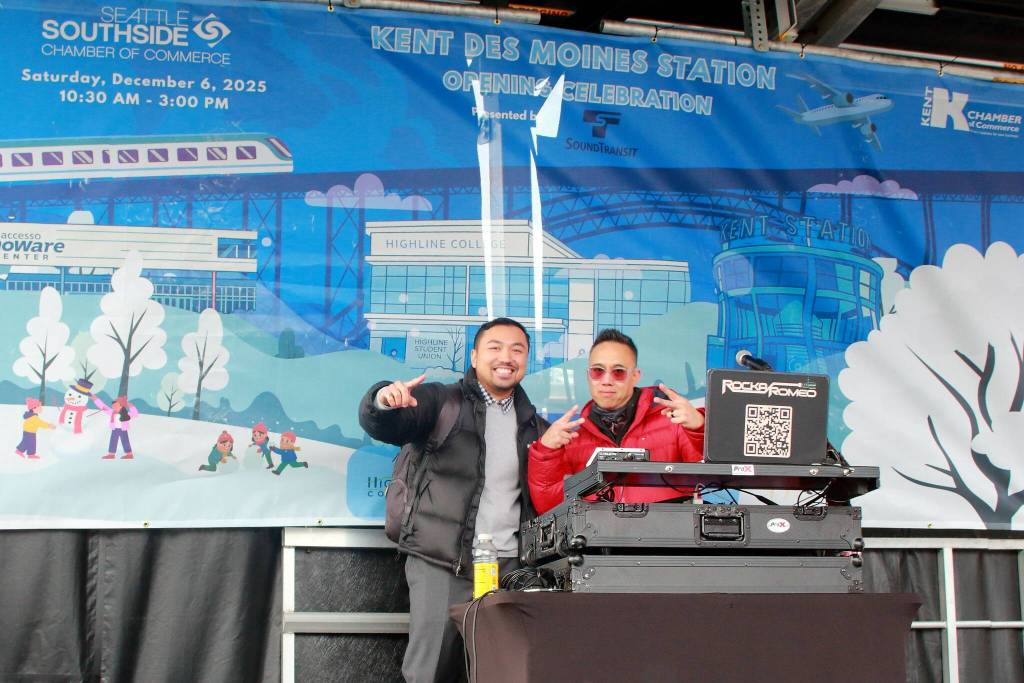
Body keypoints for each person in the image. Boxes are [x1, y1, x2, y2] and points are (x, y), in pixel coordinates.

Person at [358, 317, 546, 683]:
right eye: (495, 347)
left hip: (507, 570)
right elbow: (388, 422)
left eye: (517, 349)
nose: (506, 356)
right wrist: (383, 399)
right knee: (431, 673)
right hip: (442, 564)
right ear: (474, 357)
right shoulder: (441, 401)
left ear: (526, 360)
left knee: (500, 674)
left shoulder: (534, 425)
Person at [529, 328, 705, 514]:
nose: (607, 380)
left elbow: (708, 477)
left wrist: (699, 428)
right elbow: (550, 509)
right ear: (588, 375)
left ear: (635, 376)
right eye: (598, 371)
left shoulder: (673, 419)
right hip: (599, 542)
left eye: (618, 372)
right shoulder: (571, 438)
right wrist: (546, 452)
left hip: (666, 540)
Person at [93, 395, 138, 460]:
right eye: (113, 406)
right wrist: (95, 399)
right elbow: (102, 406)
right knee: (113, 441)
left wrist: (130, 405)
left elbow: (135, 414)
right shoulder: (112, 412)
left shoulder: (126, 414)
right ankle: (111, 454)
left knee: (125, 441)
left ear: (121, 406)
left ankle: (129, 454)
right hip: (115, 429)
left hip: (123, 429)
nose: (114, 407)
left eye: (116, 406)